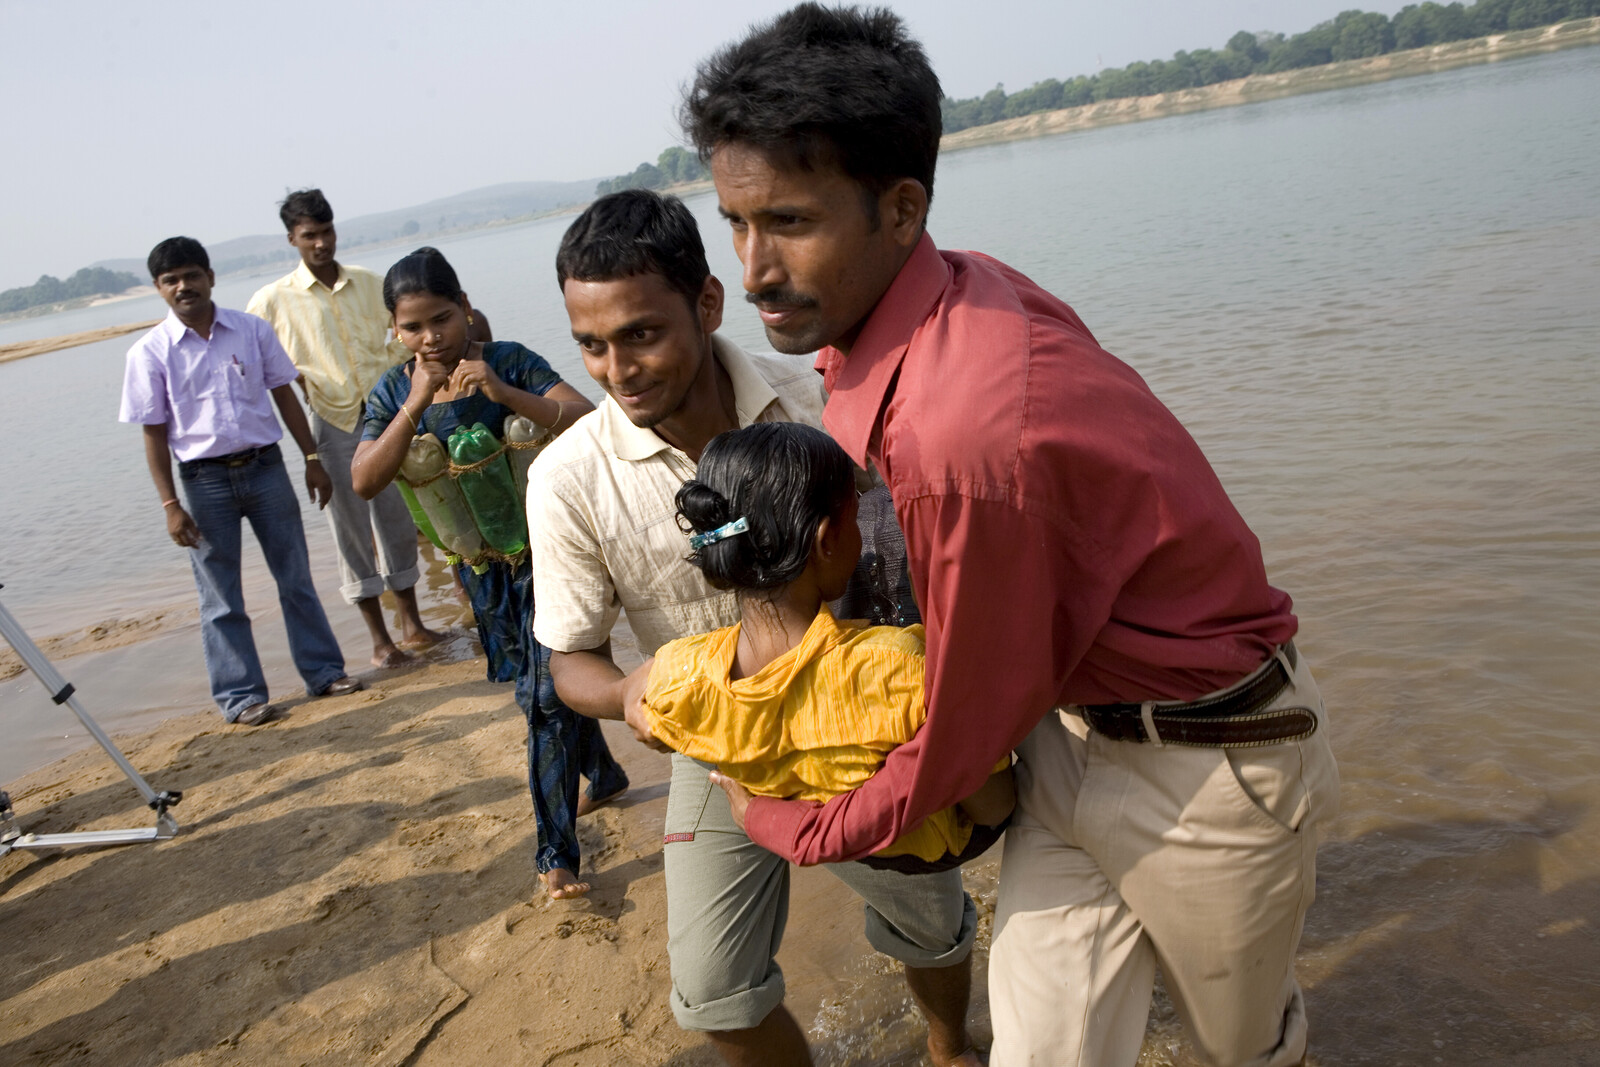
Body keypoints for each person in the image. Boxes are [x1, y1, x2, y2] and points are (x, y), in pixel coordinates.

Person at [682, 7, 1341, 1067]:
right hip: (1070, 740)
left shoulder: (957, 429)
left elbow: (952, 732)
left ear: (901, 209)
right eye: (736, 223)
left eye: (790, 223)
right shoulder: (946, 290)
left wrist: (788, 821)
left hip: (1211, 764)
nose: (753, 269)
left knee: (1244, 1048)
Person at [529, 189, 984, 1067]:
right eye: (591, 345)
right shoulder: (566, 480)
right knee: (714, 991)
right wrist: (629, 692)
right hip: (718, 740)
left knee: (932, 924)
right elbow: (570, 660)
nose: (617, 370)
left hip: (858, 717)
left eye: (641, 334)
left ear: (706, 304)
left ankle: (946, 1046)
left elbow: (908, 548)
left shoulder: (820, 395)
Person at [350, 247, 627, 900]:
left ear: (466, 307)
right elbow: (365, 477)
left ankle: (556, 855)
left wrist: (502, 394)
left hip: (551, 556)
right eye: (413, 326)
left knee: (541, 696)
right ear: (394, 330)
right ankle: (605, 772)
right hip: (481, 573)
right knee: (540, 690)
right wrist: (417, 402)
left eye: (441, 319)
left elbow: (588, 419)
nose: (431, 336)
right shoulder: (393, 390)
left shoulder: (508, 362)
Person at [644, 421, 1014, 872]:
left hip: (825, 832)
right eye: (854, 515)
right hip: (938, 839)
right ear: (827, 540)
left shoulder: (677, 676)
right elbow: (995, 808)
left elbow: (631, 696)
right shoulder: (898, 667)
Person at [120, 236, 363, 726]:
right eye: (172, 280)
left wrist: (312, 458)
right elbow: (153, 433)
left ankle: (324, 673)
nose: (184, 286)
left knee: (295, 576)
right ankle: (241, 697)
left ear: (210, 277)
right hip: (203, 482)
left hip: (266, 469)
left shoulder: (251, 330)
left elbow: (285, 396)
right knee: (220, 595)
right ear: (158, 289)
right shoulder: (149, 353)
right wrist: (170, 505)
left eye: (192, 275)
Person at [246, 189, 442, 668]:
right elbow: (259, 363)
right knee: (349, 528)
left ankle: (412, 624)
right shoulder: (272, 301)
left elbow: (404, 333)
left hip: (386, 412)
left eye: (326, 231)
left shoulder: (370, 283)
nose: (320, 243)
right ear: (292, 239)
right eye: (309, 235)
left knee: (398, 516)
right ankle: (379, 639)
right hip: (331, 419)